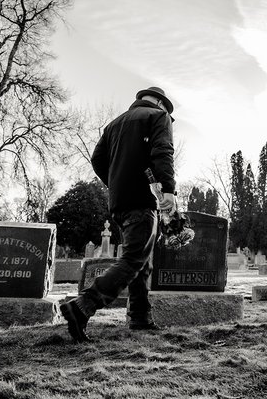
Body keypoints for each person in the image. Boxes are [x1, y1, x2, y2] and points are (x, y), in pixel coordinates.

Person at [60, 86, 176, 343]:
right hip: (143, 200)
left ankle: (140, 317)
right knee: (134, 259)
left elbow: (97, 160)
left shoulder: (113, 124)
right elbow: (163, 151)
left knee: (141, 261)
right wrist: (168, 190)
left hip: (119, 202)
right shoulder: (158, 116)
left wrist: (116, 183)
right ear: (160, 103)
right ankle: (83, 305)